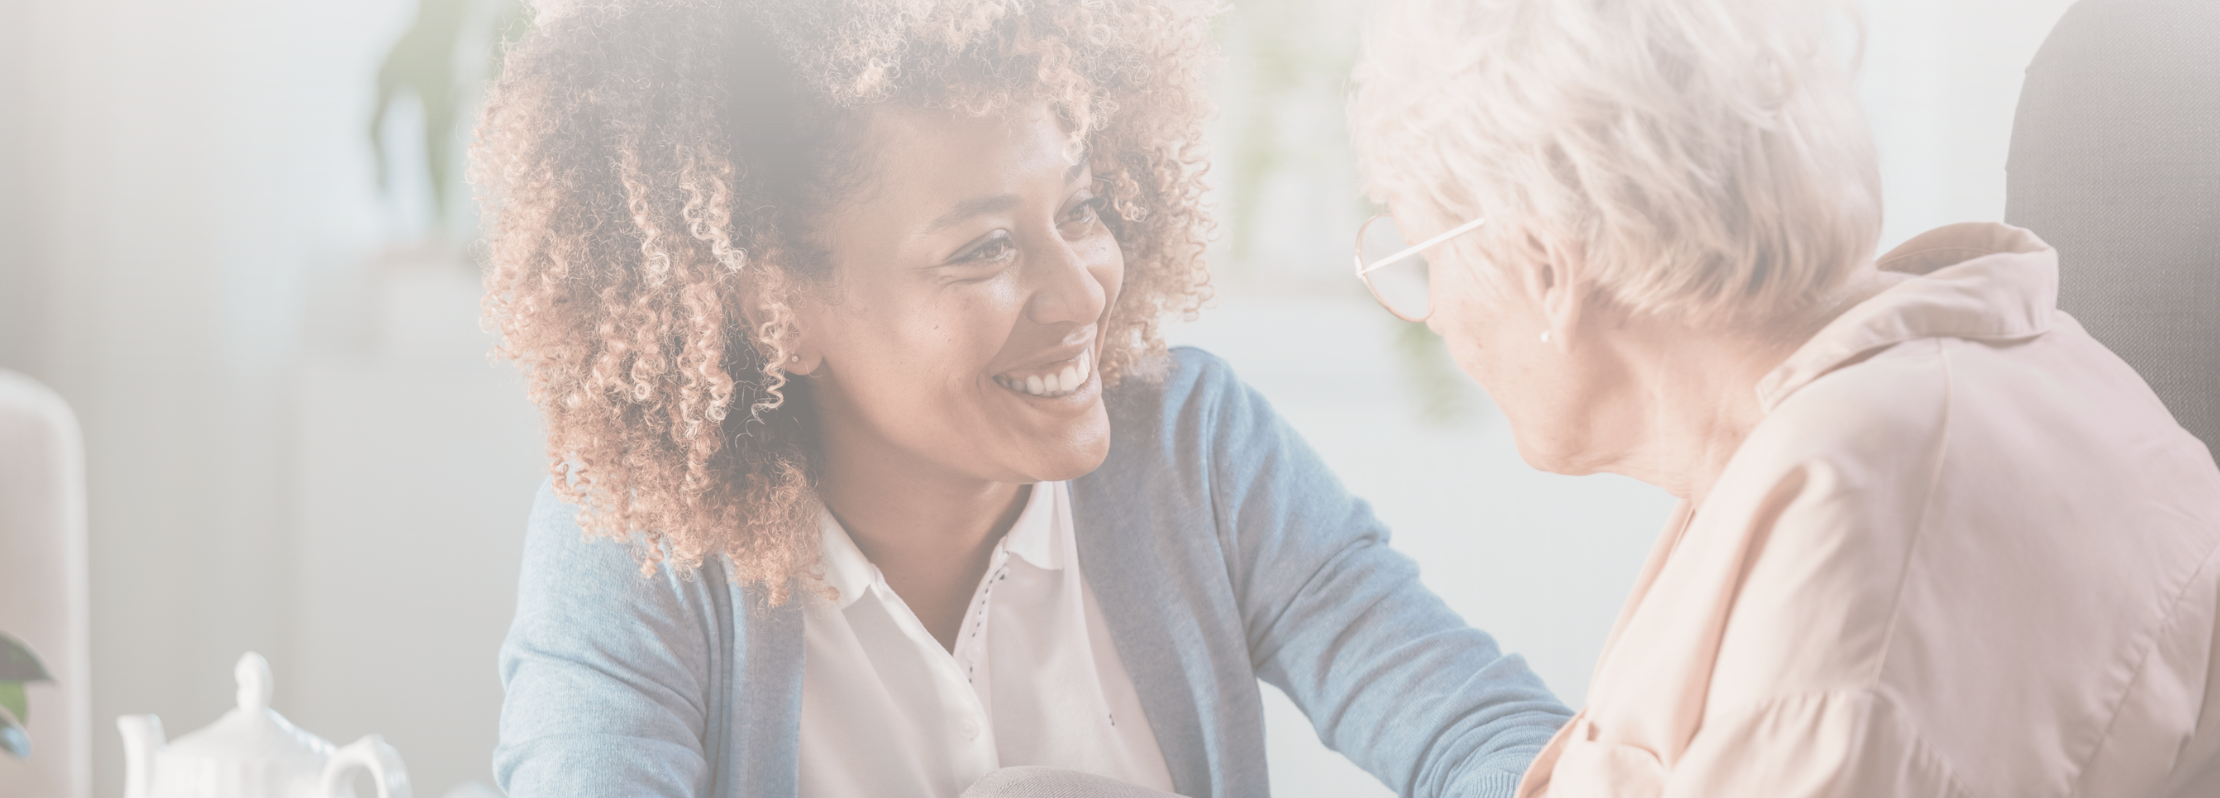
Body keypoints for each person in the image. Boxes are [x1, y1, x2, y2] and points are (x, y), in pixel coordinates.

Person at [472, 1, 1571, 797]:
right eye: (984, 247)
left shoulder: (1194, 451)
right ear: (778, 311)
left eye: (1081, 208)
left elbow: (1500, 746)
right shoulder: (638, 547)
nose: (1081, 287)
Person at [1344, 0, 2220, 795]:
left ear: (1545, 269)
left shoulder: (1857, 526)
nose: (1437, 318)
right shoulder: (1935, 390)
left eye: (1426, 260)